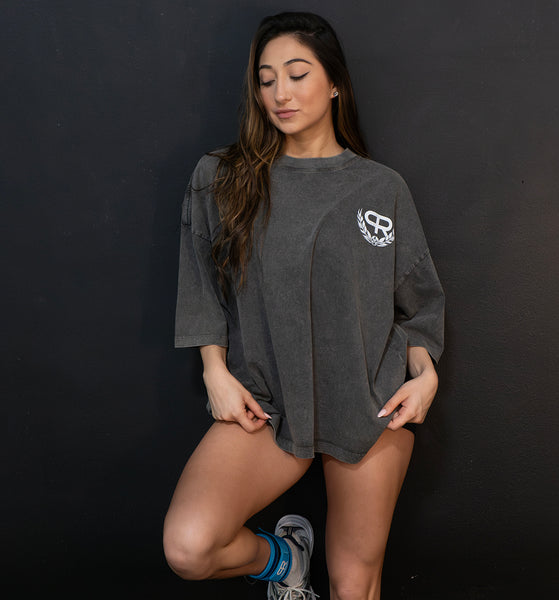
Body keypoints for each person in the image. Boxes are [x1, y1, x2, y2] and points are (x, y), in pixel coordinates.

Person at [163, 11, 444, 600]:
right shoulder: (222, 178)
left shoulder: (380, 188)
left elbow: (418, 305)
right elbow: (201, 283)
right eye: (266, 80)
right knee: (190, 547)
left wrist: (425, 377)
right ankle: (286, 561)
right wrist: (215, 371)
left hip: (366, 404)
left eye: (297, 74)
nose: (280, 94)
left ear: (334, 82)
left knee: (354, 587)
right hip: (267, 404)